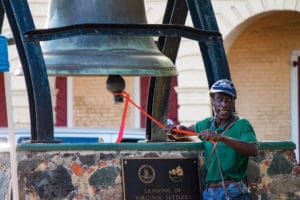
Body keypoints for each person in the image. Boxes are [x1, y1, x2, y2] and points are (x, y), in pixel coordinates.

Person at [168, 79, 258, 200]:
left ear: (234, 102)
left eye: (228, 100)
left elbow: (253, 149)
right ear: (212, 101)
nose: (224, 104)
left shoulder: (242, 124)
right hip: (210, 193)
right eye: (220, 99)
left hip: (233, 191)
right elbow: (184, 132)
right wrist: (174, 130)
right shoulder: (207, 123)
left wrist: (221, 138)